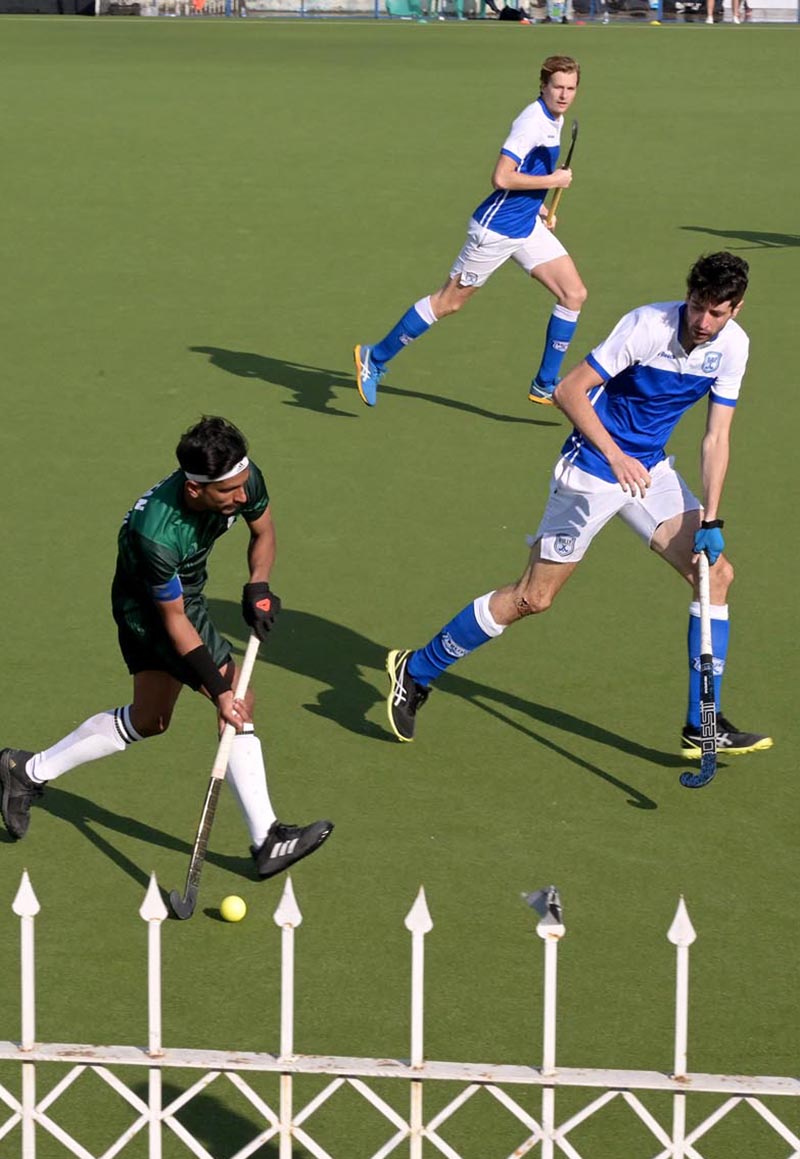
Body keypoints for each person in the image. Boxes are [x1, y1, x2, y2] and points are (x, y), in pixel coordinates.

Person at [383, 252, 773, 759]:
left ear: (735, 310)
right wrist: (614, 457)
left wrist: (713, 518)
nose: (702, 322)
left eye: (716, 313)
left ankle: (703, 723)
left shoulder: (734, 348)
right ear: (688, 295)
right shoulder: (646, 326)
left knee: (715, 574)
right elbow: (569, 391)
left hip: (649, 470)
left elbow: (716, 437)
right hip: (592, 467)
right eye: (697, 306)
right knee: (533, 598)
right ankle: (416, 669)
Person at [0, 416, 334, 878]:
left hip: (184, 597)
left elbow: (264, 531)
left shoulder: (239, 475)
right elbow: (175, 622)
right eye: (229, 492)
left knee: (150, 719)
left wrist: (258, 585)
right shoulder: (156, 534)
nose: (241, 496)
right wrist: (218, 690)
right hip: (151, 611)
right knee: (237, 698)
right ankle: (267, 839)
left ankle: (25, 771)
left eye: (243, 485)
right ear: (195, 490)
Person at [354, 55, 586, 409]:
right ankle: (376, 357)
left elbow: (525, 173)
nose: (564, 95)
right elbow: (502, 177)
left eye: (570, 88)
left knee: (573, 293)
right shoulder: (531, 122)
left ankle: (544, 383)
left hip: (524, 225)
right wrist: (553, 180)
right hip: (495, 230)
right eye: (557, 87)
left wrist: (538, 203)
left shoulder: (556, 118)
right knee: (448, 301)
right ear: (543, 86)